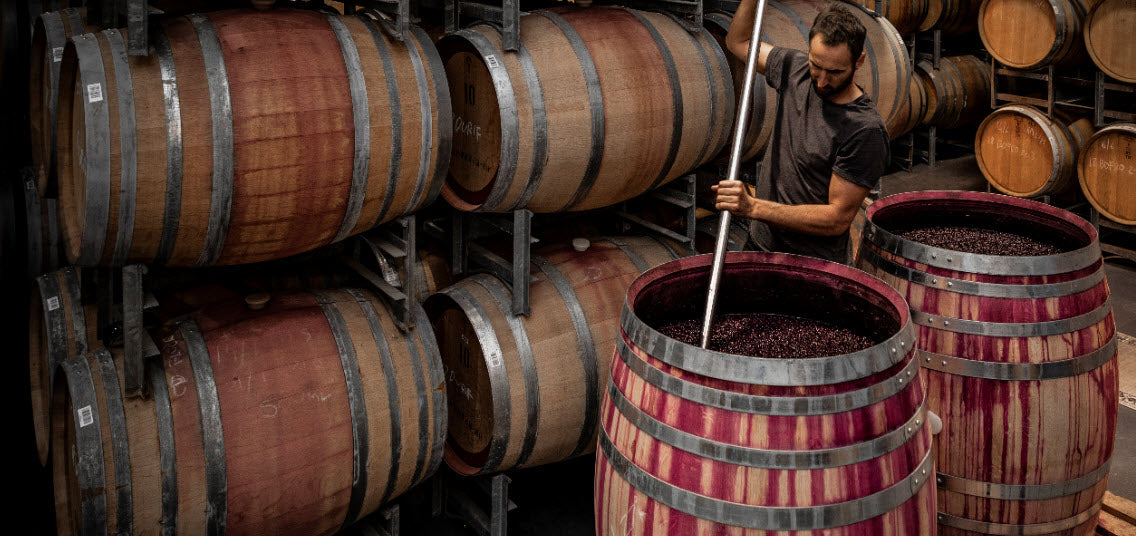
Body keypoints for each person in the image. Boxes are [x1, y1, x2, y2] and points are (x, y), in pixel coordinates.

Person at [712, 1, 890, 263]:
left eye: (835, 72)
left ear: (859, 60)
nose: (821, 80)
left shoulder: (865, 130)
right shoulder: (794, 68)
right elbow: (738, 43)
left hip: (812, 262)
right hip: (761, 244)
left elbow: (836, 219)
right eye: (816, 64)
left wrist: (754, 206)